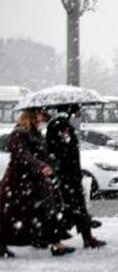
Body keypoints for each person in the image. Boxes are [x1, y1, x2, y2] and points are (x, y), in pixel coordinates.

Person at [0, 108, 75, 258]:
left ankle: (55, 243)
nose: (42, 118)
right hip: (18, 182)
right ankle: (2, 244)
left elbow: (42, 154)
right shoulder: (19, 133)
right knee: (11, 215)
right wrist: (40, 166)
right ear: (32, 116)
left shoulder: (35, 133)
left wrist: (53, 161)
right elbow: (22, 155)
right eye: (40, 114)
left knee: (47, 211)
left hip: (35, 180)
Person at [46, 105, 106, 249]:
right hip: (66, 176)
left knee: (72, 207)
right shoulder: (60, 125)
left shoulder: (61, 124)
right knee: (70, 207)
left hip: (69, 174)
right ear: (70, 109)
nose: (79, 111)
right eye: (77, 108)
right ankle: (82, 235)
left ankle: (85, 233)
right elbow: (60, 150)